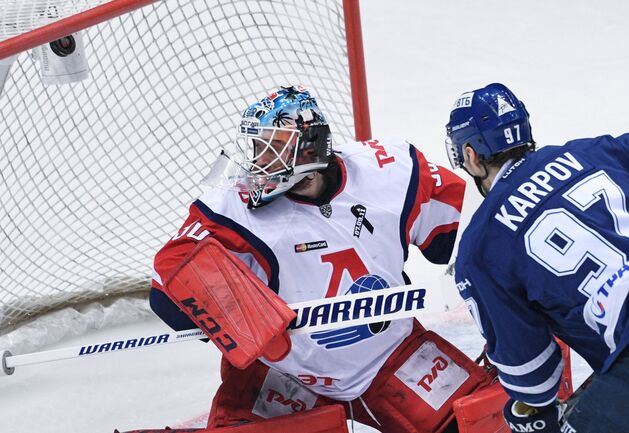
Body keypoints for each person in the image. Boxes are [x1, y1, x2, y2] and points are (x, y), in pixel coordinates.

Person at [148, 86, 493, 433]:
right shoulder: (231, 209)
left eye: (275, 148)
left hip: (390, 354)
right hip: (286, 373)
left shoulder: (391, 169)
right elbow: (167, 286)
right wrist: (249, 323)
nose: (260, 162)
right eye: (259, 147)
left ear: (309, 150)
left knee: (481, 424)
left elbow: (455, 236)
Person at [444, 82, 629, 433]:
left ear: (470, 156)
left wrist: (528, 412)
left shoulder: (479, 247)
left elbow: (535, 381)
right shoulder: (593, 152)